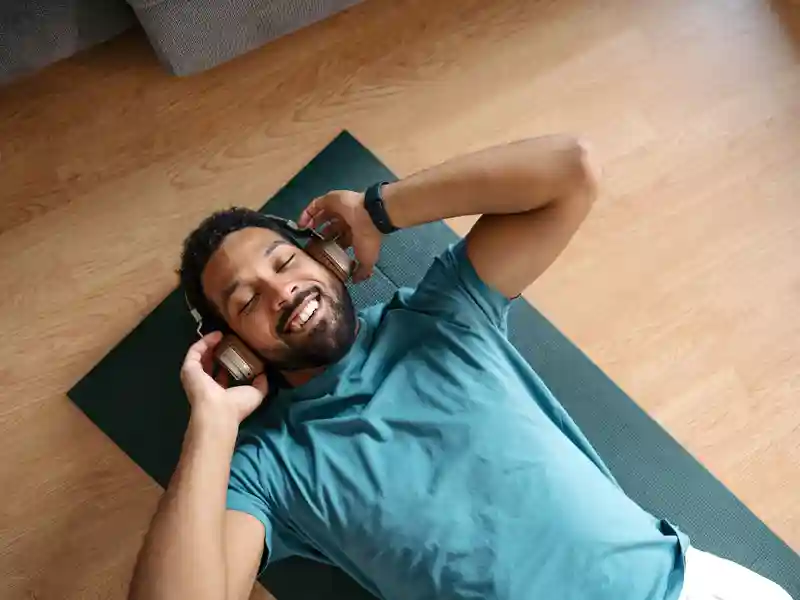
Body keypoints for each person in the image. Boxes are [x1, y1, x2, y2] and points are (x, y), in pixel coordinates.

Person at [128, 136, 792, 600]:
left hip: (690, 586)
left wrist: (378, 209)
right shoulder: (267, 468)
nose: (280, 291)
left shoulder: (442, 310)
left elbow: (571, 171)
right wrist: (211, 421)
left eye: (284, 262)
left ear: (326, 256)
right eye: (246, 301)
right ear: (234, 349)